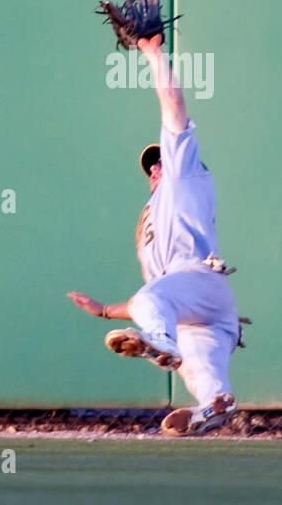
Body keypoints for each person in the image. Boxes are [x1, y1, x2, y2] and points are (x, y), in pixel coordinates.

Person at [67, 34, 241, 436]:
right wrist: (105, 310)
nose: (156, 169)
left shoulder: (184, 176)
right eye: (151, 168)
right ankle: (212, 407)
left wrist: (152, 52)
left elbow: (173, 104)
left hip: (200, 279)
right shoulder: (148, 229)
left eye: (160, 160)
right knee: (200, 373)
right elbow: (155, 299)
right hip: (201, 313)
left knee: (156, 308)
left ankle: (159, 342)